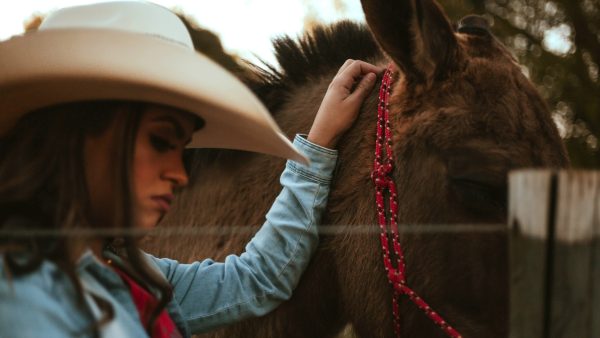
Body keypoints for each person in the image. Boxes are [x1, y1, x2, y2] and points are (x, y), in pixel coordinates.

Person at [0, 1, 381, 337]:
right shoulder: (17, 295)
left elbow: (257, 278)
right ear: (75, 135)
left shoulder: (138, 276)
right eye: (161, 142)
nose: (179, 174)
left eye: (182, 151)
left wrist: (317, 144)